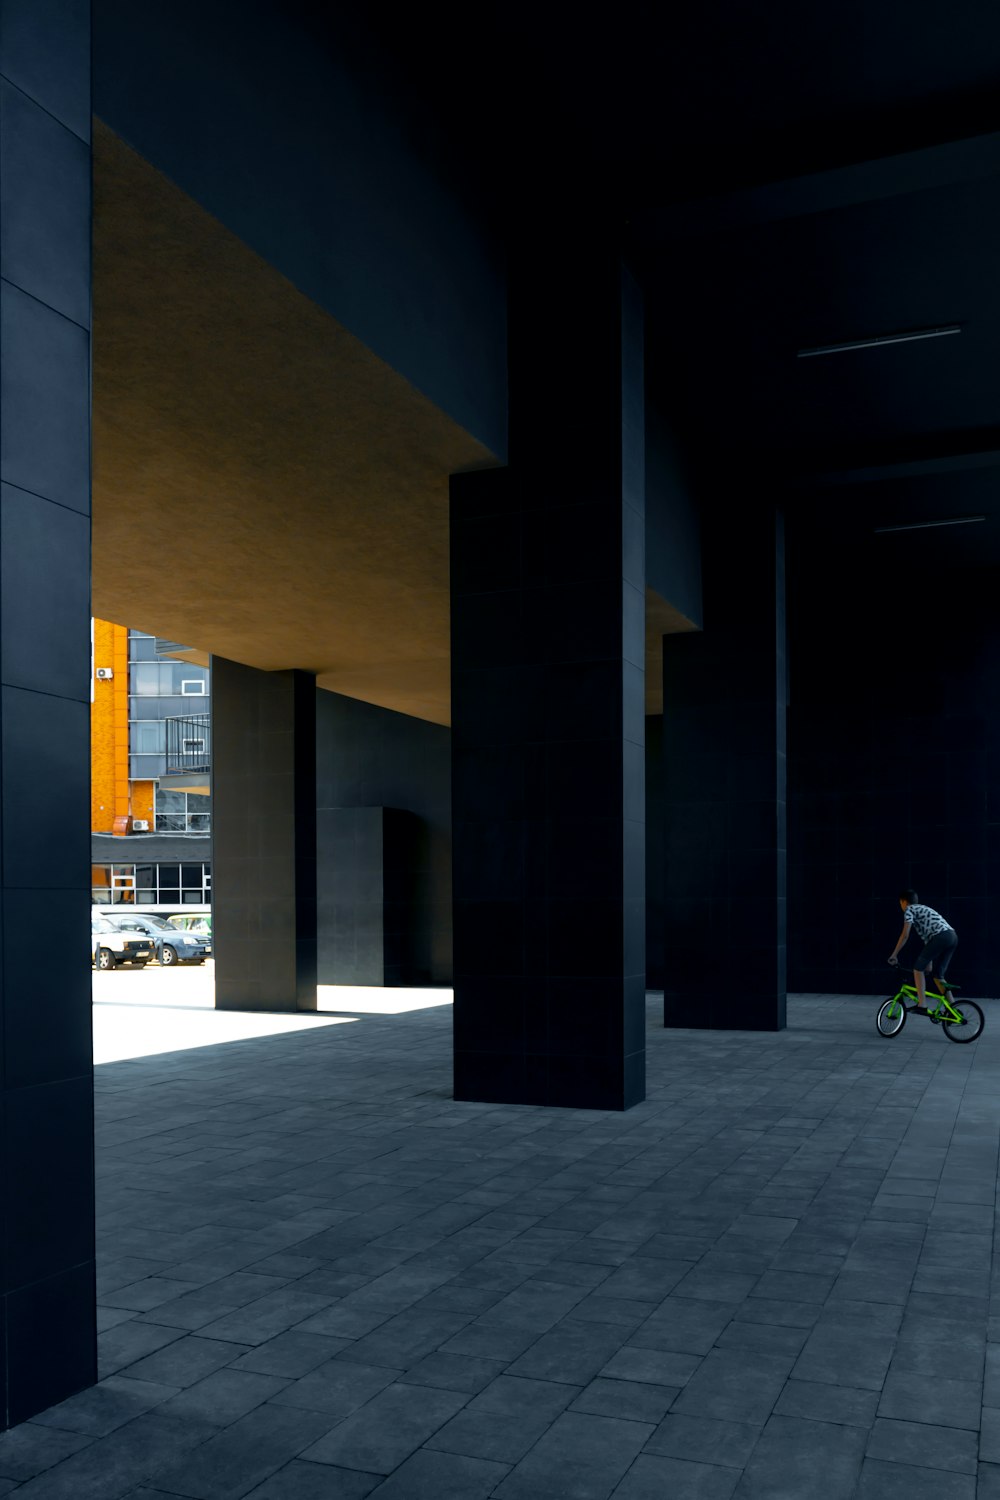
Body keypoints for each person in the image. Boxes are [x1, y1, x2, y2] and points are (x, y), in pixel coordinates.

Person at [888, 889, 958, 1014]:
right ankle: (953, 1009)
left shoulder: (909, 910)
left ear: (904, 902)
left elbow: (905, 935)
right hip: (952, 936)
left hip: (941, 936)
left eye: (901, 904)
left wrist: (894, 954)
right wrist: (929, 963)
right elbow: (929, 939)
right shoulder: (923, 909)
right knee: (938, 975)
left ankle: (922, 1005)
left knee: (917, 969)